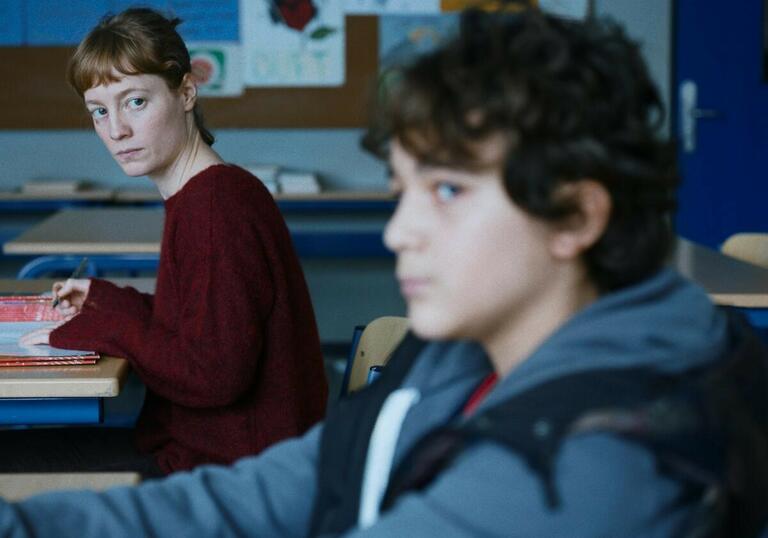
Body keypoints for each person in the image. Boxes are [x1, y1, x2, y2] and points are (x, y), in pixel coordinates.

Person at [2, 4, 768, 536]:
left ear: (576, 215)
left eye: (446, 191)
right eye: (403, 190)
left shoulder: (593, 462)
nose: (399, 231)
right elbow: (286, 485)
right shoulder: (456, 357)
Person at [11, 7, 328, 476]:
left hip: (233, 476)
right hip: (225, 456)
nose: (116, 129)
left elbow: (212, 374)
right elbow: (199, 324)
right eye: (100, 111)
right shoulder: (210, 192)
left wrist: (97, 330)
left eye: (135, 101)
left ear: (185, 91)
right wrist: (105, 300)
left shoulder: (215, 207)